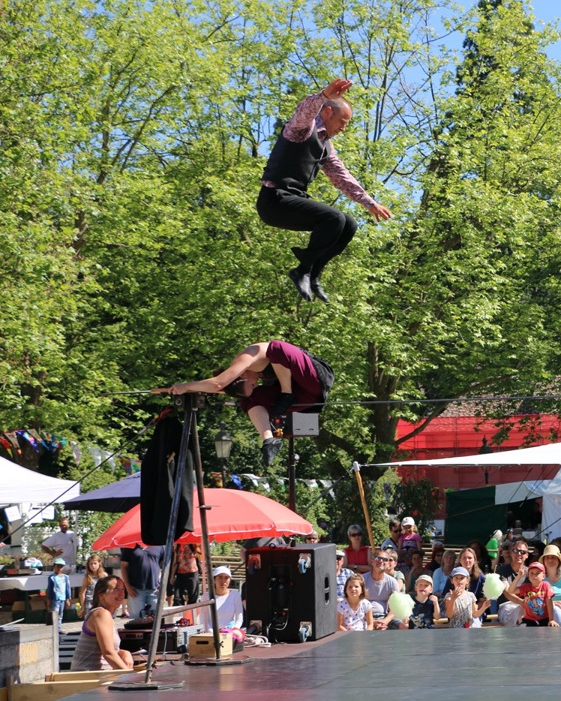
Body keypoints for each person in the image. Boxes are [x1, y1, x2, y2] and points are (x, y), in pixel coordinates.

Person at [256, 78, 392, 302]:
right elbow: (304, 111)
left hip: (292, 202)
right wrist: (323, 96)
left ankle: (312, 274)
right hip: (274, 201)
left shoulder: (326, 146)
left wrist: (370, 202)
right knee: (334, 218)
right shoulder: (301, 128)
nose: (343, 128)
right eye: (342, 121)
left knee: (349, 224)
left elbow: (342, 177)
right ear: (328, 112)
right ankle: (302, 270)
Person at [155, 340, 332, 469]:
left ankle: (286, 393)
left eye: (253, 385)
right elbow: (220, 388)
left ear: (243, 377)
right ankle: (268, 440)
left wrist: (185, 386)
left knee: (276, 348)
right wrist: (189, 391)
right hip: (305, 397)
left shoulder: (246, 358)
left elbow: (218, 384)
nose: (257, 384)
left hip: (316, 377)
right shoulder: (242, 378)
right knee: (249, 399)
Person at [71, 576, 134, 671]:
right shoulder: (101, 614)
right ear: (101, 595)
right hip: (88, 679)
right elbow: (108, 653)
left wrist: (124, 652)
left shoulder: (104, 615)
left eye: (122, 589)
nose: (121, 593)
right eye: (116, 589)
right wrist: (129, 675)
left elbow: (104, 649)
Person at [504, 561, 557, 627]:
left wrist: (551, 619)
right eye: (531, 573)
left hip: (544, 618)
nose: (534, 575)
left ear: (543, 576)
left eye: (537, 573)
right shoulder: (526, 587)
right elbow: (511, 591)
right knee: (523, 629)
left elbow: (549, 602)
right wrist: (519, 577)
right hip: (529, 619)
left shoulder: (546, 585)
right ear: (528, 576)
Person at [120, 543, 165, 619]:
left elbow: (165, 567)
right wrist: (127, 587)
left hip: (155, 590)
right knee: (136, 619)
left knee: (156, 619)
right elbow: (123, 567)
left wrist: (163, 587)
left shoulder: (160, 546)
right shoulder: (129, 546)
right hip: (135, 590)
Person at [196, 566, 244, 632]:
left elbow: (239, 619)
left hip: (230, 633)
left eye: (226, 578)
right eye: (220, 577)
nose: (223, 581)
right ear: (214, 580)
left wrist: (233, 630)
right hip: (211, 635)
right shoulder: (206, 596)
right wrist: (214, 634)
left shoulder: (235, 595)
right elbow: (204, 620)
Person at [363, 551, 402, 630]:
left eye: (385, 559)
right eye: (378, 558)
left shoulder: (392, 582)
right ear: (372, 561)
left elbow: (396, 607)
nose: (381, 561)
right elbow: (355, 605)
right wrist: (372, 622)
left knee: (403, 625)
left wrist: (384, 621)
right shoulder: (362, 580)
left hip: (384, 617)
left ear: (388, 564)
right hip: (364, 617)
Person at [170, 543, 202, 607]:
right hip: (180, 574)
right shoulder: (177, 545)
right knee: (177, 599)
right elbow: (175, 561)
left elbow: (200, 553)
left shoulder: (193, 544)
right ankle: (179, 615)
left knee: (192, 599)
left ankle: (190, 615)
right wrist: (172, 576)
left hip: (192, 573)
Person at [46, 558, 71, 632]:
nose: (59, 568)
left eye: (61, 566)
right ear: (54, 566)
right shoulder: (52, 577)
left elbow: (67, 588)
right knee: (55, 614)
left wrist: (67, 599)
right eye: (58, 566)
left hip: (62, 598)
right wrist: (49, 600)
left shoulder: (65, 577)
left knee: (60, 614)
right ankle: (55, 629)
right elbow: (50, 589)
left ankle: (59, 629)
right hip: (55, 599)